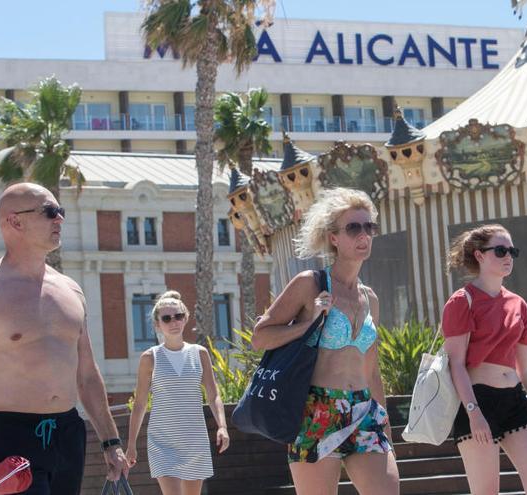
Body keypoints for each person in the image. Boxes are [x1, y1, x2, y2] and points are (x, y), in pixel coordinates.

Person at [0, 182, 129, 494]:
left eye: (61, 212)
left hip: (68, 432)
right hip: (13, 434)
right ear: (14, 221)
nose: (60, 219)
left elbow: (87, 374)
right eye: (50, 212)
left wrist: (111, 441)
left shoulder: (71, 290)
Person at [252, 187, 399, 494]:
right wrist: (308, 323)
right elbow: (260, 337)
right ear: (334, 237)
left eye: (369, 227)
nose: (364, 235)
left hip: (363, 411)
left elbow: (372, 370)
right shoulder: (310, 283)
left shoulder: (370, 298)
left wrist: (384, 423)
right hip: (316, 411)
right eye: (353, 227)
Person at [442, 224, 527, 495]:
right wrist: (474, 413)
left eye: (512, 251)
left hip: (514, 400)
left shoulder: (518, 304)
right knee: (486, 492)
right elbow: (455, 364)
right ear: (479, 255)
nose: (508, 257)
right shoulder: (462, 301)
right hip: (477, 400)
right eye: (501, 250)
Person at [125, 290, 229, 495]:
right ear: (157, 325)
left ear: (186, 318)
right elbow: (140, 403)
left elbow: (213, 394)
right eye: (166, 318)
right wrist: (131, 445)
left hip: (194, 440)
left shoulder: (199, 353)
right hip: (162, 441)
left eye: (178, 316)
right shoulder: (149, 357)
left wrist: (222, 427)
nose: (173, 322)